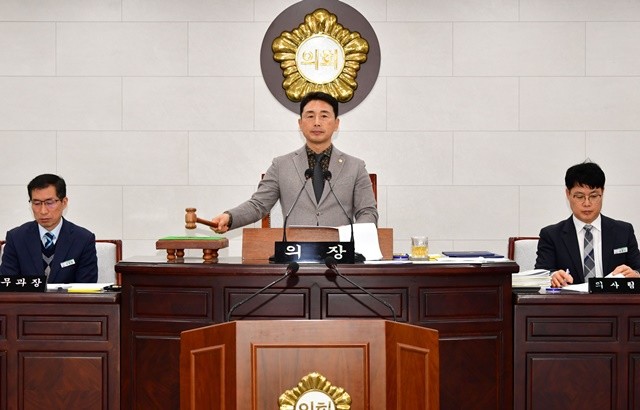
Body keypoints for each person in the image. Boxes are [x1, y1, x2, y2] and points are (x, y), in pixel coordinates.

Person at [210, 92, 378, 232]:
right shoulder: (281, 165)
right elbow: (258, 205)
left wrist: (357, 239)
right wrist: (229, 217)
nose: (317, 122)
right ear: (300, 123)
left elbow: (367, 212)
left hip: (340, 253)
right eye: (310, 116)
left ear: (336, 124)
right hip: (294, 253)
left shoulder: (355, 167)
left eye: (324, 116)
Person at [535, 161, 640, 287]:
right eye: (579, 197)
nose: (587, 203)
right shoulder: (551, 235)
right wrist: (553, 276)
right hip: (570, 299)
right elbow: (541, 273)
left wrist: (636, 274)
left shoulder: (623, 231)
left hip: (612, 298)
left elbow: (638, 268)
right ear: (568, 194)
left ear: (602, 193)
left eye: (593, 196)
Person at [0, 174, 98, 283]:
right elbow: (7, 284)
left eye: (49, 203)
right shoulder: (16, 238)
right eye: (36, 203)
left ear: (64, 202)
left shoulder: (83, 240)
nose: (43, 211)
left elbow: (86, 287)